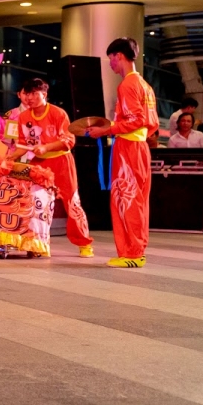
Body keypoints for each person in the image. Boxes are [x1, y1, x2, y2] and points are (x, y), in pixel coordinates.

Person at [86, 37, 159, 268]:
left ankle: (133, 253)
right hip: (140, 148)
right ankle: (135, 250)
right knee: (137, 200)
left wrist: (106, 130)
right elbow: (151, 124)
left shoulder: (127, 84)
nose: (110, 64)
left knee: (126, 199)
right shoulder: (145, 86)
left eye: (111, 59)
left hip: (128, 148)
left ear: (119, 56)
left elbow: (136, 120)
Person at [10, 77, 94, 257]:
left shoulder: (58, 113)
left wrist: (46, 147)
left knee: (72, 202)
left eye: (34, 93)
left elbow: (68, 140)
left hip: (61, 162)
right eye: (27, 94)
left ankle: (84, 243)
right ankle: (36, 243)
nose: (30, 98)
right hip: (38, 164)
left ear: (44, 94)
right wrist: (8, 159)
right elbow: (22, 145)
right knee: (33, 203)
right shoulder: (23, 117)